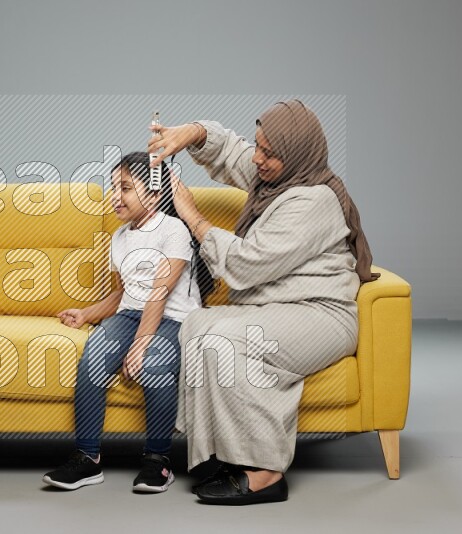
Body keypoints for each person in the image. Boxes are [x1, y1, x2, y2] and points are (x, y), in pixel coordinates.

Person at [147, 99, 380, 505]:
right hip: (278, 306)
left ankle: (267, 472)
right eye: (258, 145)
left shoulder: (313, 201)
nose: (257, 158)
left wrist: (194, 219)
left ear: (295, 154)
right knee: (199, 326)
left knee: (231, 338)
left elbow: (246, 264)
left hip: (320, 313)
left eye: (268, 152)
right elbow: (231, 151)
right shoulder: (275, 177)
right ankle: (219, 452)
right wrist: (192, 132)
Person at [42, 152, 212, 493]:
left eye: (126, 188)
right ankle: (88, 458)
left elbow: (160, 293)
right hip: (131, 314)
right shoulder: (119, 238)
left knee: (155, 362)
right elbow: (124, 296)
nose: (115, 196)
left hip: (174, 319)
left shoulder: (174, 230)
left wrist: (140, 344)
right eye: (114, 187)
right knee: (94, 354)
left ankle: (158, 460)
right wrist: (87, 314)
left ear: (152, 195)